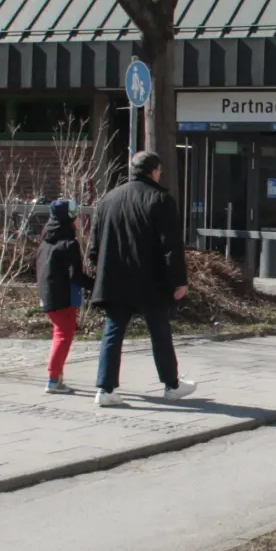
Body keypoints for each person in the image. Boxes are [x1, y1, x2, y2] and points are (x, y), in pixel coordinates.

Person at [87, 150, 196, 408]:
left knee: (113, 331)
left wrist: (98, 270)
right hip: (150, 280)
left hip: (115, 278)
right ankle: (171, 385)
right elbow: (171, 246)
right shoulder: (160, 199)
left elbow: (94, 245)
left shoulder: (108, 199)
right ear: (154, 171)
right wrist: (179, 280)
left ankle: (105, 388)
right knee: (159, 331)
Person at [36, 199, 93, 394]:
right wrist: (96, 285)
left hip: (47, 294)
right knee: (63, 336)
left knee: (58, 334)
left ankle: (57, 376)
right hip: (63, 297)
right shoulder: (69, 243)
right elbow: (75, 275)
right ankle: (53, 379)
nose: (78, 219)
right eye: (75, 215)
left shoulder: (46, 241)